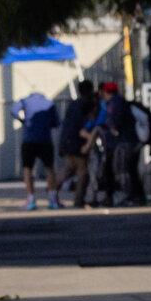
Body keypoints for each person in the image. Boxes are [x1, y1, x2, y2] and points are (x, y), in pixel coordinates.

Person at [11, 91, 61, 210]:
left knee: (28, 169)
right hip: (45, 140)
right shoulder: (49, 103)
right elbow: (56, 122)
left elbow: (13, 111)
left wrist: (23, 120)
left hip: (29, 140)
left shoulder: (25, 100)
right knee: (49, 169)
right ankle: (53, 199)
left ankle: (31, 199)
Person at [57, 80, 97, 208]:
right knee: (82, 173)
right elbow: (82, 128)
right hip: (77, 143)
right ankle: (78, 200)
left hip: (67, 141)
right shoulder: (86, 105)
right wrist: (90, 140)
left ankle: (52, 191)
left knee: (69, 169)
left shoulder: (73, 105)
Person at [100, 81, 141, 206]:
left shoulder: (115, 103)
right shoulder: (120, 101)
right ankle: (136, 197)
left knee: (123, 170)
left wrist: (112, 130)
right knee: (130, 169)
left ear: (106, 92)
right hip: (128, 140)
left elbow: (114, 122)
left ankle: (130, 196)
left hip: (123, 142)